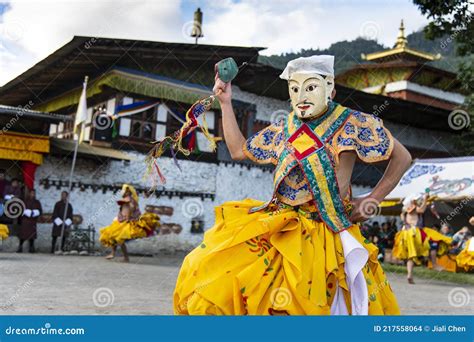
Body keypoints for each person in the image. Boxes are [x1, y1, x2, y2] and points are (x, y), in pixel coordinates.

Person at [174, 55, 413, 315]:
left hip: (328, 232)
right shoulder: (283, 128)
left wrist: (372, 199)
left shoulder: (353, 122)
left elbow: (403, 157)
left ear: (330, 89)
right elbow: (238, 151)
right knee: (216, 278)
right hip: (281, 227)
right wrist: (226, 102)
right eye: (295, 89)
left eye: (310, 87)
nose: (302, 96)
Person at [393, 194, 452, 283]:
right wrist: (425, 199)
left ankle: (410, 274)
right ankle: (434, 264)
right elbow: (422, 209)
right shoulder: (413, 209)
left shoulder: (403, 212)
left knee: (411, 256)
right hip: (414, 233)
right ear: (412, 202)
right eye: (416, 200)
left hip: (405, 234)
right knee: (434, 240)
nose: (417, 202)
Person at [99, 184, 160, 263]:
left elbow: (129, 210)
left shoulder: (129, 200)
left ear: (128, 192)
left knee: (118, 238)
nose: (122, 192)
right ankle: (114, 253)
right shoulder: (130, 200)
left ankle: (124, 257)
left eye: (123, 190)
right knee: (113, 236)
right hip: (121, 221)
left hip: (125, 222)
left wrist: (127, 218)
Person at [17, 189, 42, 253]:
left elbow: (40, 210)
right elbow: (21, 209)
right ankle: (20, 247)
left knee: (32, 236)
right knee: (23, 235)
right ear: (29, 194)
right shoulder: (25, 201)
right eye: (31, 193)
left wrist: (36, 212)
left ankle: (31, 248)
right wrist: (26, 212)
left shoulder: (37, 202)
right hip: (25, 220)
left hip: (33, 220)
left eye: (34, 193)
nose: (32, 194)